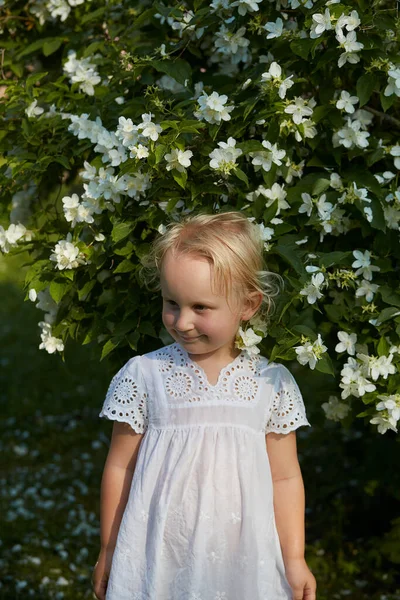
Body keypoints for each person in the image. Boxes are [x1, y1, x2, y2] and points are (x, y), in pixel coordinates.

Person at [92, 211, 317, 600]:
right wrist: (109, 550)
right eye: (171, 303)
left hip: (242, 560)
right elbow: (120, 467)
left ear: (247, 305)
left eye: (201, 307)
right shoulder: (144, 375)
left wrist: (293, 557)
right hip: (158, 555)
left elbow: (284, 478)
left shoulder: (270, 384)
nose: (182, 322)